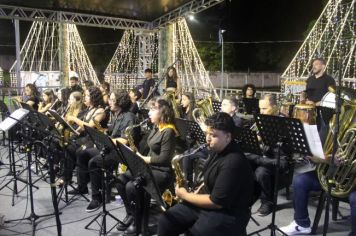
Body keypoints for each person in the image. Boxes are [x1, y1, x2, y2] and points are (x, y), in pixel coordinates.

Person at [157, 112, 254, 236]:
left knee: (196, 233)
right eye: (207, 133)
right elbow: (212, 178)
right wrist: (197, 190)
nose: (207, 138)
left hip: (229, 212)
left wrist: (185, 195)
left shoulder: (233, 162)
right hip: (210, 203)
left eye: (213, 135)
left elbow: (216, 203)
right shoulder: (217, 149)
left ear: (228, 137)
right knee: (165, 221)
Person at [115, 97, 177, 235]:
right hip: (150, 167)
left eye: (152, 110)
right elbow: (148, 148)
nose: (148, 113)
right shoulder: (156, 127)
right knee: (120, 180)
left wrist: (143, 159)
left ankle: (140, 225)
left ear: (162, 112)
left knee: (133, 186)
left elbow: (164, 159)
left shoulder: (169, 131)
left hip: (162, 171)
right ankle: (131, 214)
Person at [73, 90, 138, 212]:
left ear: (120, 102)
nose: (109, 102)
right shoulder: (117, 114)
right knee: (82, 152)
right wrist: (103, 132)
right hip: (112, 148)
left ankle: (97, 198)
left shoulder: (129, 117)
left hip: (121, 153)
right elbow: (113, 131)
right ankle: (83, 186)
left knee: (94, 162)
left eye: (112, 100)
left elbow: (124, 141)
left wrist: (107, 140)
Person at [245, 94, 290, 216]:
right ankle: (245, 197)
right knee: (244, 160)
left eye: (265, 109)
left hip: (279, 159)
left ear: (274, 107)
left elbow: (283, 150)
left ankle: (267, 202)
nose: (261, 112)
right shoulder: (262, 120)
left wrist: (263, 140)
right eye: (260, 109)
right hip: (264, 156)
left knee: (261, 171)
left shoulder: (283, 122)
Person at [305, 58, 336, 144]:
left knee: (322, 131)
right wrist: (304, 100)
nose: (313, 66)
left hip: (324, 111)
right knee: (309, 131)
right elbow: (306, 94)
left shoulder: (329, 80)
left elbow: (332, 96)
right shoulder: (310, 79)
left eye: (316, 64)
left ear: (323, 66)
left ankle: (319, 153)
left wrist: (315, 103)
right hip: (311, 111)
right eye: (313, 64)